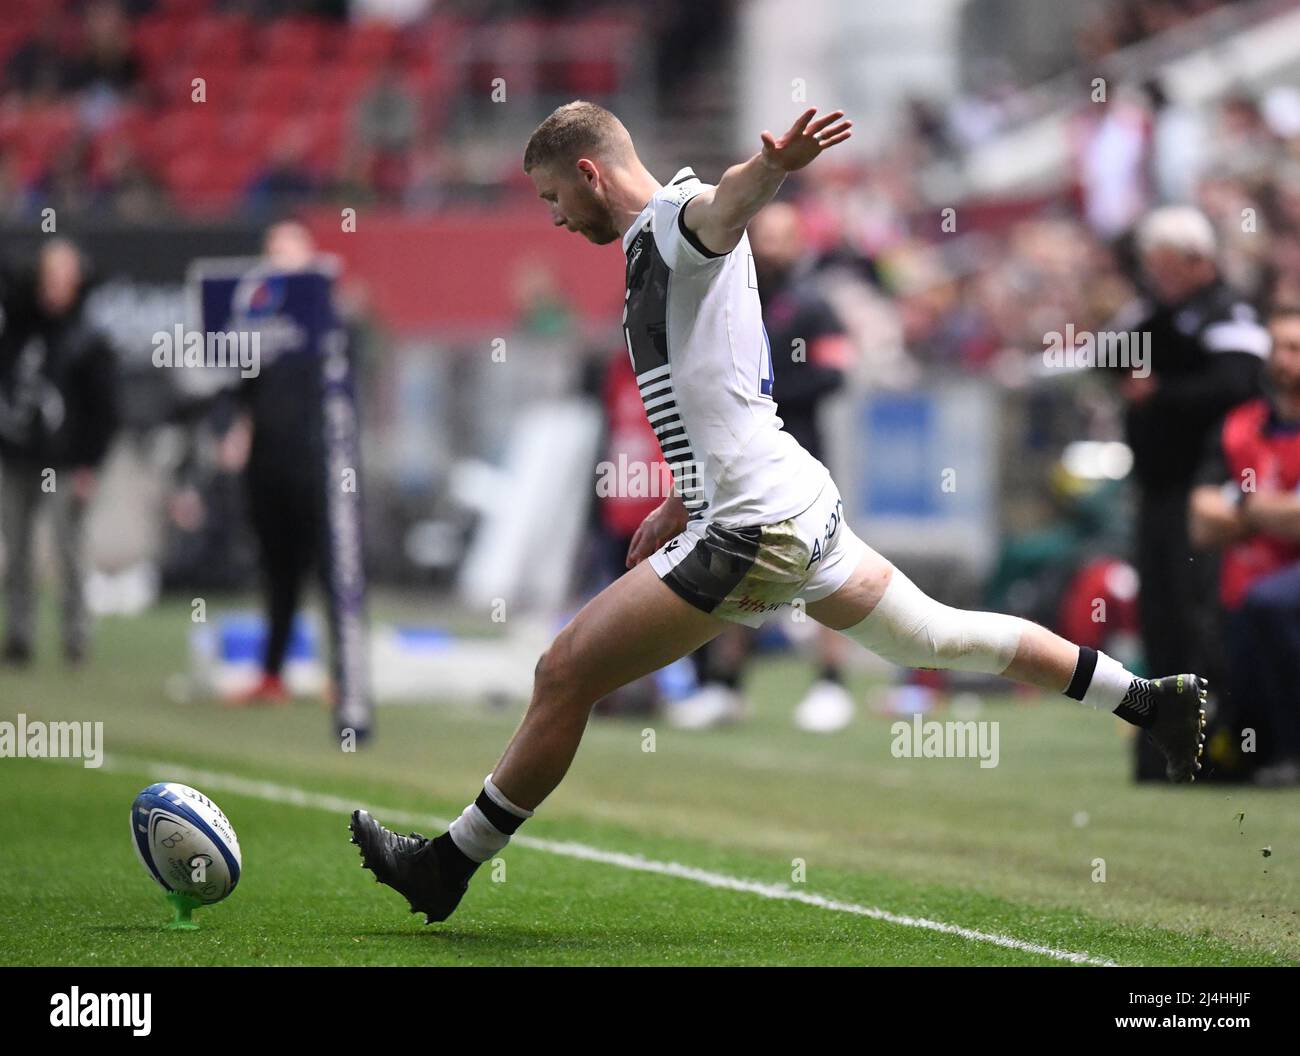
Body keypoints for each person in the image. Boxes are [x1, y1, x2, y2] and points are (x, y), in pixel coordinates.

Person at [350, 102, 1208, 923]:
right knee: (940, 636)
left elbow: (726, 205)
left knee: (564, 672)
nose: (553, 218)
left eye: (552, 197)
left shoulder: (675, 220)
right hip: (786, 498)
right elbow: (712, 387)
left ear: (589, 173)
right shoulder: (655, 243)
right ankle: (1146, 702)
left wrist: (771, 168)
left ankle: (446, 867)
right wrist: (681, 498)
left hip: (752, 524)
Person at [675, 201, 858, 732]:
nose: (773, 247)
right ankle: (726, 686)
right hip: (743, 459)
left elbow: (835, 374)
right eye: (766, 236)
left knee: (821, 568)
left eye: (783, 236)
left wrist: (763, 395)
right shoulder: (736, 300)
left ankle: (830, 683)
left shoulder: (815, 306)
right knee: (735, 562)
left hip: (802, 452)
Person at [1115, 207, 1267, 778]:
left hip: (1205, 486)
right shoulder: (1151, 314)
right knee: (1159, 612)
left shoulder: (1229, 313)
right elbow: (1108, 354)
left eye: (1166, 265)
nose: (1156, 276)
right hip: (1156, 488)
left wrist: (1161, 393)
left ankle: (1213, 740)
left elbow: (1237, 386)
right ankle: (1162, 738)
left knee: (1197, 610)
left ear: (1196, 260)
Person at [1189, 303, 1300, 787]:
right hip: (1243, 586)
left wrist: (1243, 505)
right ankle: (1257, 749)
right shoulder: (1239, 427)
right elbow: (1202, 523)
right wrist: (1273, 511)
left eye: (1295, 349)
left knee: (1268, 603)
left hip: (1276, 591)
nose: (1283, 359)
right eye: (1277, 348)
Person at [0, 239, 119, 665]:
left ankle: (75, 636)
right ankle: (19, 635)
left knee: (68, 551)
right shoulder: (20, 327)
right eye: (49, 276)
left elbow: (104, 411)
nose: (55, 286)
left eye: (64, 277)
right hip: (17, 456)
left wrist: (91, 464)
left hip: (66, 463)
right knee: (17, 552)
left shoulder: (87, 339)